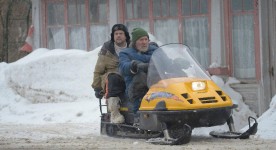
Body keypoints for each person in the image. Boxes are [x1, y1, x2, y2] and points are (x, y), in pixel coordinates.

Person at [92, 24, 130, 124]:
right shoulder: (106, 51)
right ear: (113, 36)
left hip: (128, 76)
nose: (118, 36)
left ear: (125, 35)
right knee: (113, 78)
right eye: (116, 34)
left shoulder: (132, 48)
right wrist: (97, 88)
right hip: (112, 80)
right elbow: (98, 70)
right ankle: (115, 113)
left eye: (121, 33)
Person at [119, 28, 159, 114]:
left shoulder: (156, 51)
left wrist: (176, 62)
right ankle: (138, 114)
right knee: (141, 76)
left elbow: (166, 60)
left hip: (157, 85)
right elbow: (123, 66)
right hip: (135, 88)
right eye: (141, 40)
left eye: (146, 39)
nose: (144, 42)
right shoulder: (126, 53)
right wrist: (132, 66)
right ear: (134, 42)